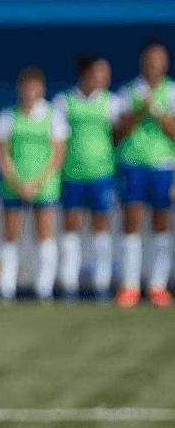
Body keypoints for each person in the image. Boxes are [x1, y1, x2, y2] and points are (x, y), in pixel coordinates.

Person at [0, 66, 68, 300]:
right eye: (25, 87)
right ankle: (6, 288)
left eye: (34, 87)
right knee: (10, 235)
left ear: (41, 89)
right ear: (19, 89)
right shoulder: (7, 116)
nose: (29, 92)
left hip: (44, 186)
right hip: (13, 187)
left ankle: (43, 288)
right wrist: (18, 183)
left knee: (44, 235)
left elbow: (57, 154)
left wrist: (36, 182)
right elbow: (1, 154)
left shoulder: (53, 115)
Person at [112, 39, 175, 306]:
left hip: (162, 165)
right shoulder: (128, 92)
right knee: (131, 223)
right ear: (142, 64)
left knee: (161, 224)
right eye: (149, 61)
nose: (154, 66)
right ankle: (130, 286)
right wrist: (139, 110)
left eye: (159, 61)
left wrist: (158, 112)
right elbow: (117, 134)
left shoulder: (172, 92)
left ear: (165, 64)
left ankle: (158, 286)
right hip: (132, 163)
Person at [55, 54, 123, 298]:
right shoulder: (64, 102)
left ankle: (101, 283)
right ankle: (69, 283)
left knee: (101, 227)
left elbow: (118, 136)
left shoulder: (112, 103)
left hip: (101, 174)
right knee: (70, 227)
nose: (104, 77)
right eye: (99, 72)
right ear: (85, 74)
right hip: (72, 174)